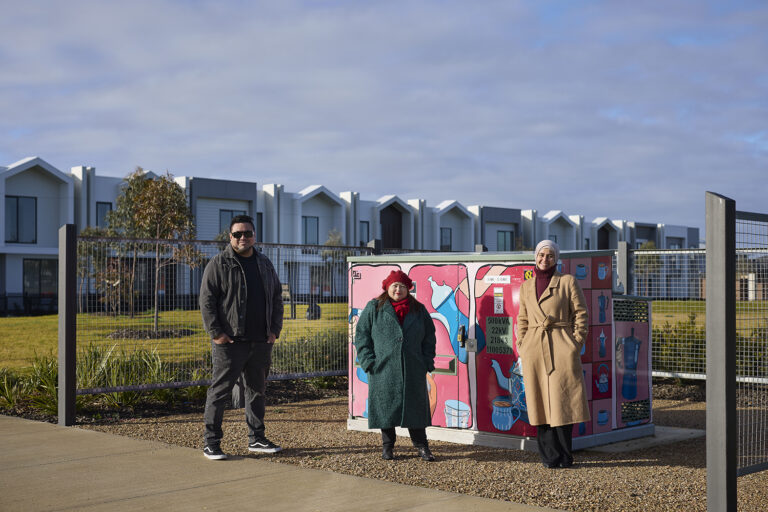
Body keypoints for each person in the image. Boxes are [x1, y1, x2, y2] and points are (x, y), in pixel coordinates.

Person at [199, 214, 284, 460]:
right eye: (238, 234)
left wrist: (274, 330)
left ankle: (256, 439)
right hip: (230, 343)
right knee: (220, 392)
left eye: (247, 233)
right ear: (230, 237)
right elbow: (207, 301)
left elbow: (277, 297)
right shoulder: (219, 264)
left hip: (260, 342)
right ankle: (211, 443)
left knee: (257, 391)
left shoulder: (265, 263)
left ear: (254, 236)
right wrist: (216, 333)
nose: (243, 238)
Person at [516, 240, 590, 468]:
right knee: (539, 402)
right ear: (535, 257)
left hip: (561, 347)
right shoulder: (526, 286)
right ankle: (549, 457)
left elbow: (581, 314)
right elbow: (523, 318)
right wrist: (522, 343)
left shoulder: (567, 282)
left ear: (556, 259)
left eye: (549, 255)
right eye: (541, 255)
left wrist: (575, 343)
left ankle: (566, 456)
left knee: (562, 401)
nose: (544, 259)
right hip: (534, 349)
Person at [354, 270, 437, 461]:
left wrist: (426, 361)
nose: (398, 289)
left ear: (408, 288)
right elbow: (362, 336)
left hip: (413, 368)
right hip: (383, 369)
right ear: (387, 288)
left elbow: (429, 337)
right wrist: (369, 362)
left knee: (415, 409)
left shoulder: (419, 309)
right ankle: (388, 447)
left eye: (402, 286)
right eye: (394, 286)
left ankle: (422, 447)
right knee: (386, 410)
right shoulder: (374, 307)